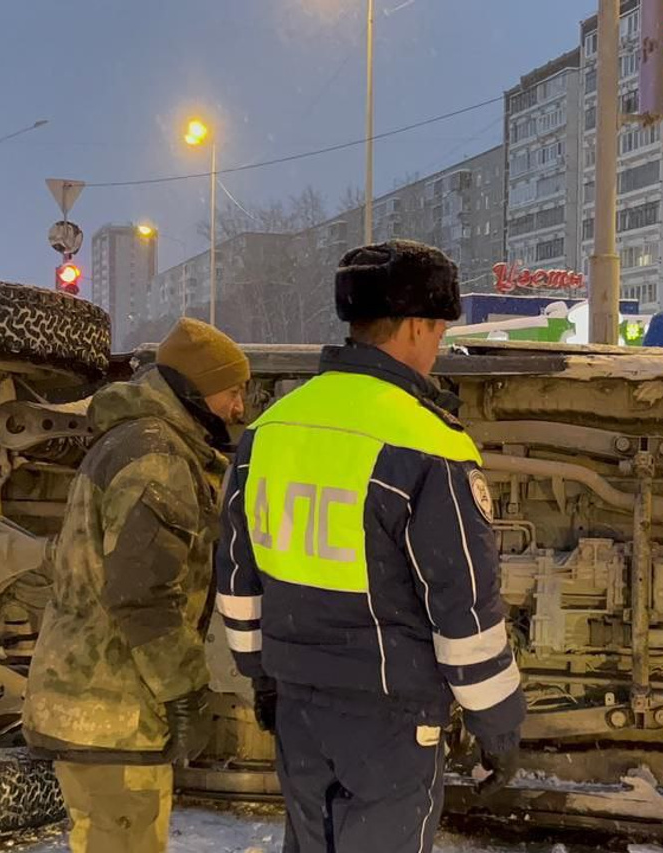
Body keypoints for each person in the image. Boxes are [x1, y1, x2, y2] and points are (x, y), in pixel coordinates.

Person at [216, 239, 526, 853]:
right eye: (438, 330)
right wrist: (499, 725)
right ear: (415, 326)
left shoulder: (271, 429)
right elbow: (464, 612)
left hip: (299, 706)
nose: (438, 347)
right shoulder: (428, 444)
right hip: (390, 719)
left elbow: (236, 578)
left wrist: (263, 676)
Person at [24, 318, 249, 853]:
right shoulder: (157, 457)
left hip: (100, 706)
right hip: (116, 712)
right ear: (195, 388)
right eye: (233, 390)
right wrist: (186, 694)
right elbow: (145, 596)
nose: (240, 407)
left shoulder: (135, 441)